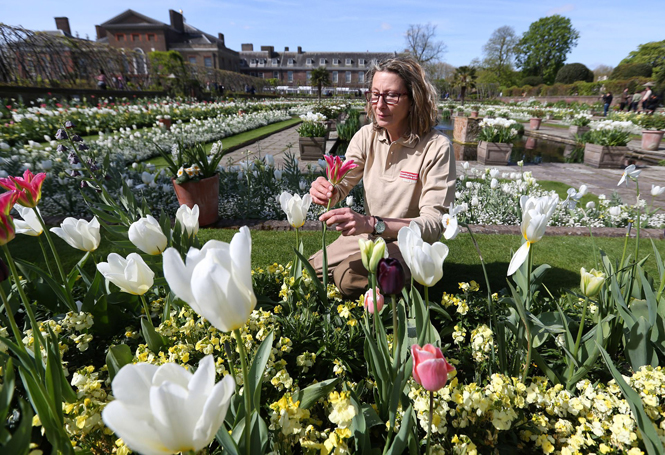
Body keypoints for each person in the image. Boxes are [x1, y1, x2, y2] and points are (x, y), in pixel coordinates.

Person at [308, 55, 456, 298]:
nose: (379, 104)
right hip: (369, 236)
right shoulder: (366, 136)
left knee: (347, 277)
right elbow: (343, 182)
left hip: (409, 243)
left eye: (391, 95)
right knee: (309, 270)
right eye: (375, 94)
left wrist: (374, 223)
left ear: (414, 99)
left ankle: (403, 296)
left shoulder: (436, 147)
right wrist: (328, 190)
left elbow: (433, 224)